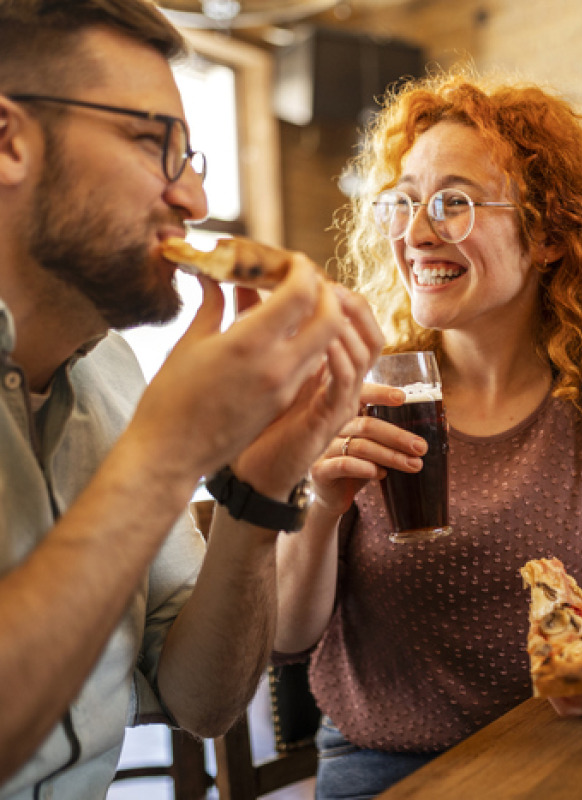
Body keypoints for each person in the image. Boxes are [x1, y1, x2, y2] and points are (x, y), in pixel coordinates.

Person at [272, 66, 582, 799]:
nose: (414, 233)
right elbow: (286, 635)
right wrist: (319, 506)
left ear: (550, 236)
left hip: (568, 746)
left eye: (453, 203)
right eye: (403, 203)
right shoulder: (352, 384)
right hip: (386, 760)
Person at [0, 1, 383, 797]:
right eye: (154, 145)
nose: (196, 202)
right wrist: (170, 452)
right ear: (8, 142)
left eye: (192, 155)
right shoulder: (155, 418)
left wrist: (259, 490)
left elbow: (201, 701)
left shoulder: (114, 373)